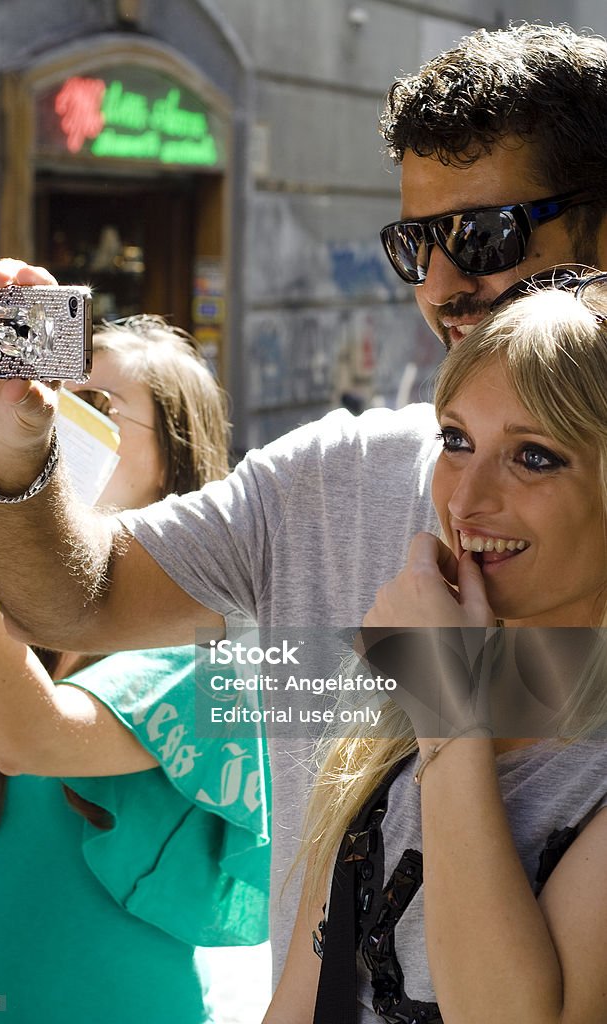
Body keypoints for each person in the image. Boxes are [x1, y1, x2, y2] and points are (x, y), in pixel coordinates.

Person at [0, 21, 607, 984]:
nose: (446, 285)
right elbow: (72, 604)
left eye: (482, 235)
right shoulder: (333, 475)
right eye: (416, 244)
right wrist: (11, 451)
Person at [265, 272, 607, 1023]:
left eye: (534, 456)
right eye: (456, 439)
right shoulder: (400, 697)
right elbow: (299, 1000)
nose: (462, 501)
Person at [0, 317, 269, 1024]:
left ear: (174, 465)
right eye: (56, 394)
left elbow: (24, 733)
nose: (54, 419)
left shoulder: (206, 647)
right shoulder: (2, 616)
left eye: (99, 407)